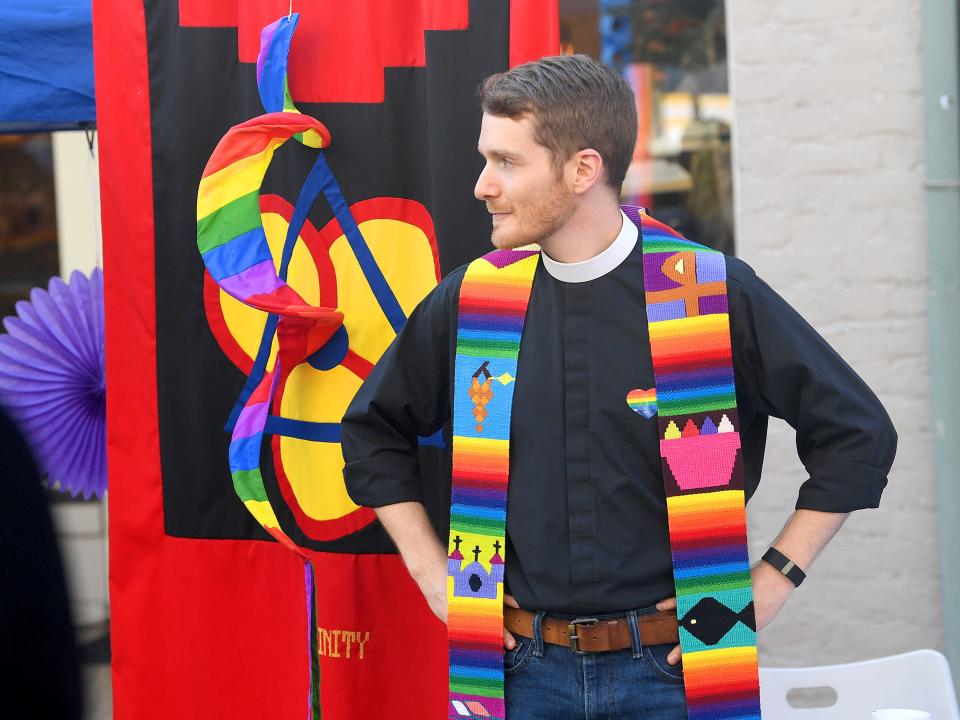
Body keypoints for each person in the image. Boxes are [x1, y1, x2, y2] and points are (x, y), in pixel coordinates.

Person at [341, 54, 897, 719]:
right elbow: (372, 432)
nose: (482, 186)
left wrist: (777, 577)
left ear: (582, 170)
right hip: (516, 672)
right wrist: (433, 573)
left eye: (507, 162)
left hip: (678, 671)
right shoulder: (473, 301)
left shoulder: (708, 292)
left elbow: (857, 436)